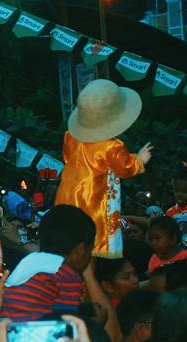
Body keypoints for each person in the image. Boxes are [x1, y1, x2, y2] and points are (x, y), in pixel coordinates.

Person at [54, 79, 152, 256]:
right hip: (95, 197)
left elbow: (68, 158)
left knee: (71, 238)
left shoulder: (70, 136)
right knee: (93, 240)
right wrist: (140, 160)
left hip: (67, 194)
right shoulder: (112, 146)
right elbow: (125, 167)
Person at [1, 205, 94, 321]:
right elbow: (67, 325)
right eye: (90, 250)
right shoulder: (66, 275)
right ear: (80, 250)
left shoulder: (30, 260)